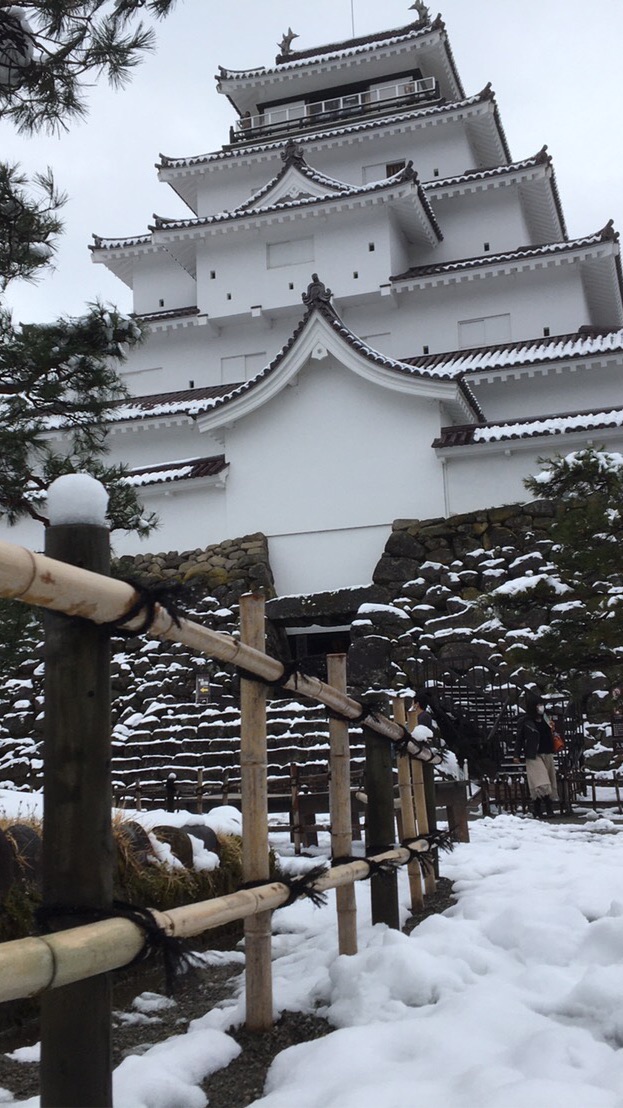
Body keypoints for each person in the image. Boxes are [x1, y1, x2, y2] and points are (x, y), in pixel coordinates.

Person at [514, 691, 559, 818]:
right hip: (533, 754)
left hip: (548, 752)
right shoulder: (525, 721)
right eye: (538, 705)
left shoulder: (546, 718)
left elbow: (552, 732)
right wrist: (516, 754)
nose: (541, 707)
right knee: (541, 781)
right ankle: (548, 808)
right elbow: (519, 739)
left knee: (547, 781)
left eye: (542, 705)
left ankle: (537, 809)